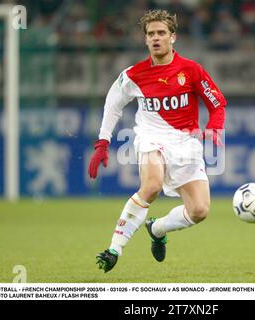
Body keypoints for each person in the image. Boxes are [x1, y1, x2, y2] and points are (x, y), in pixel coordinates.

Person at [88, 9, 226, 273]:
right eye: (151, 34)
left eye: (161, 33)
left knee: (199, 211)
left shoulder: (192, 70)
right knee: (151, 186)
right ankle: (115, 248)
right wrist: (102, 144)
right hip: (151, 138)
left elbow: (217, 104)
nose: (156, 38)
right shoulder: (133, 75)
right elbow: (112, 104)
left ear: (173, 37)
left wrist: (215, 128)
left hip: (185, 143)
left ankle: (157, 228)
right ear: (145, 40)